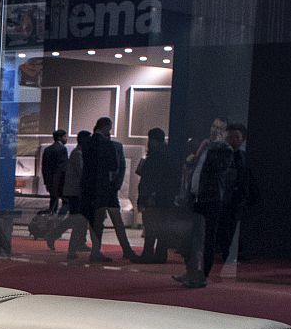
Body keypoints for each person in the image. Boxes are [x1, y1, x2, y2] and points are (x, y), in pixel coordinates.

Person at [173, 122, 256, 289]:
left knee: (206, 240)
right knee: (192, 239)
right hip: (197, 198)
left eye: (219, 129)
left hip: (211, 200)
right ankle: (190, 271)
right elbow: (194, 168)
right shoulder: (206, 147)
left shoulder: (224, 150)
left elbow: (219, 168)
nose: (214, 131)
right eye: (213, 128)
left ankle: (201, 275)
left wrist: (211, 147)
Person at [86, 116, 134, 261]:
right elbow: (116, 166)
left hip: (93, 189)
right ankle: (126, 249)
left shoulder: (87, 143)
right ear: (107, 127)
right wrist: (115, 184)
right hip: (108, 188)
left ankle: (96, 250)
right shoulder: (109, 145)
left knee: (96, 222)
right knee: (116, 220)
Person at [132, 127, 183, 264]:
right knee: (163, 228)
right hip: (167, 196)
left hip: (153, 197)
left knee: (150, 227)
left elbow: (149, 179)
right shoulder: (171, 154)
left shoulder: (154, 156)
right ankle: (161, 254)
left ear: (152, 140)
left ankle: (147, 254)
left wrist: (144, 197)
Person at [61, 131, 89, 258]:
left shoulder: (78, 153)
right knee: (77, 220)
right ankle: (71, 248)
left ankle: (77, 244)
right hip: (75, 192)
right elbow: (82, 173)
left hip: (75, 192)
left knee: (76, 220)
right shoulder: (78, 154)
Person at [39, 130, 68, 215]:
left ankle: (51, 219)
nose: (66, 139)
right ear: (60, 137)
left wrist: (46, 182)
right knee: (66, 202)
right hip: (60, 180)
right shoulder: (62, 149)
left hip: (50, 181)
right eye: (65, 137)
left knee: (53, 201)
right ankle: (60, 220)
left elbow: (44, 167)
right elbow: (63, 167)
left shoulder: (47, 149)